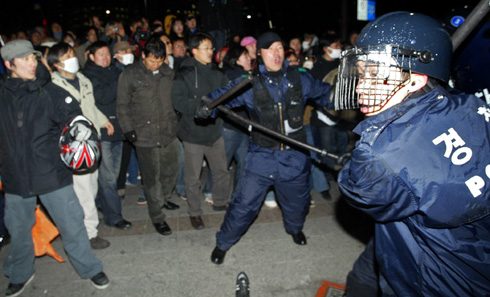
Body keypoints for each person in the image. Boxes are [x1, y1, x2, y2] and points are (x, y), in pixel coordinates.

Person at [335, 12, 490, 296]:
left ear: (416, 80)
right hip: (470, 245)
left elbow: (357, 190)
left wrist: (350, 161)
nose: (361, 88)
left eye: (375, 76)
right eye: (360, 75)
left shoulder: (383, 149)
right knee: (365, 271)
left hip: (436, 277)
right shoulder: (470, 105)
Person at [200, 31, 334, 264]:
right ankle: (223, 243)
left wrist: (353, 95)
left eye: (280, 48)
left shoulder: (299, 78)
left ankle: (295, 229)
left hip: (295, 156)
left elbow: (327, 94)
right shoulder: (250, 82)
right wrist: (204, 106)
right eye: (270, 49)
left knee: (297, 202)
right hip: (261, 156)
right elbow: (219, 98)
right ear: (259, 54)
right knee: (243, 205)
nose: (277, 53)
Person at [0, 39, 109, 297]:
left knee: (72, 226)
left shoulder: (50, 92)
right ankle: (20, 273)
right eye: (25, 59)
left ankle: (90, 268)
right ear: (8, 64)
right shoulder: (2, 95)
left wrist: (82, 139)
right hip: (15, 178)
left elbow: (76, 121)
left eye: (34, 58)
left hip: (51, 175)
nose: (32, 63)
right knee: (18, 229)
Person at [48, 42, 113, 249]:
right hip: (74, 145)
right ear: (56, 64)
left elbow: (90, 106)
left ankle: (83, 224)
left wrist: (103, 121)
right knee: (84, 189)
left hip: (92, 140)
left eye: (71, 54)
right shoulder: (53, 86)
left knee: (91, 187)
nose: (72, 58)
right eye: (66, 56)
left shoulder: (83, 80)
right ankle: (90, 233)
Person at [117, 37, 180, 236]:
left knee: (170, 172)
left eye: (160, 60)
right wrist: (128, 129)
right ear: (143, 55)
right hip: (144, 134)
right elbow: (122, 105)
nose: (156, 64)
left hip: (168, 132)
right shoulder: (131, 74)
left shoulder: (168, 73)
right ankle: (157, 216)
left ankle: (164, 198)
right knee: (152, 179)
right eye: (153, 60)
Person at [171, 32, 231, 230]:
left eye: (211, 48)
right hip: (193, 134)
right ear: (194, 51)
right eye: (206, 48)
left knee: (222, 170)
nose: (210, 52)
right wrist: (198, 107)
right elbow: (177, 99)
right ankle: (194, 212)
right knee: (193, 177)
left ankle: (220, 201)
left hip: (214, 132)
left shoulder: (217, 72)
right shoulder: (184, 72)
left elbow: (226, 95)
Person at [83, 40, 132, 231]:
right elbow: (103, 96)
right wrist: (120, 78)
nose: (105, 58)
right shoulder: (88, 75)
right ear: (91, 57)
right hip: (102, 131)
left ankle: (103, 204)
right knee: (109, 177)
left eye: (107, 54)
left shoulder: (114, 71)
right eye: (101, 54)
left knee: (111, 174)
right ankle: (114, 217)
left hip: (118, 129)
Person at [202, 45, 252, 206]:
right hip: (230, 127)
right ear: (236, 59)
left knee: (242, 163)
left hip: (243, 126)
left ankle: (237, 194)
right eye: (245, 56)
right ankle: (210, 190)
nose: (249, 58)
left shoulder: (246, 75)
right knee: (222, 163)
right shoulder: (234, 75)